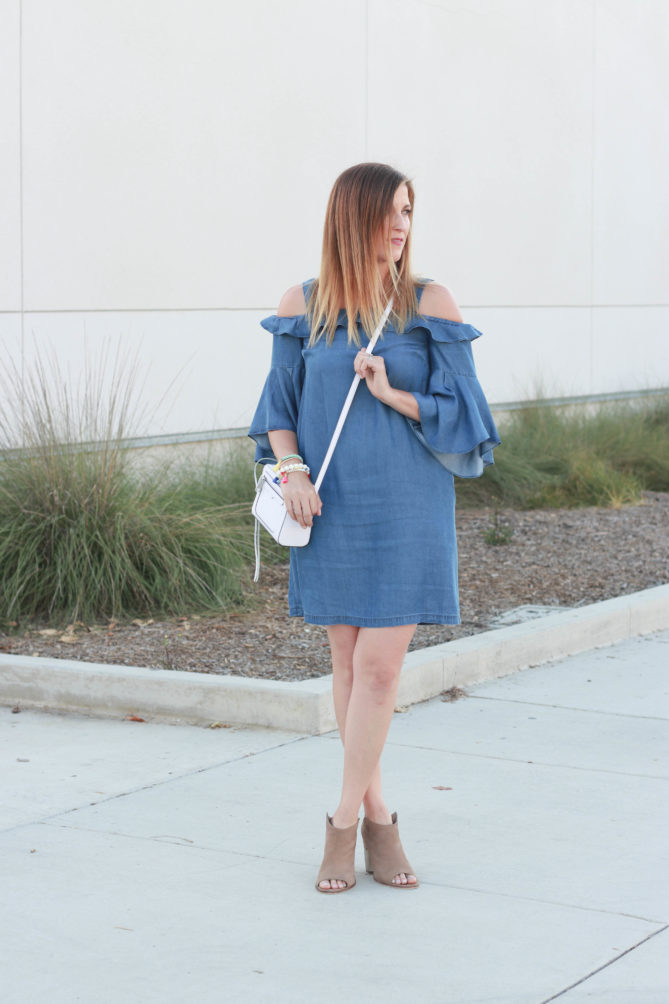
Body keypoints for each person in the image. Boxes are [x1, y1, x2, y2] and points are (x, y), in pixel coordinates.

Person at [249, 162, 499, 893]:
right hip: (330, 504)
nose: (400, 225)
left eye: (407, 211)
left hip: (410, 504)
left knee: (381, 669)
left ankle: (341, 821)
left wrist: (392, 394)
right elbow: (278, 411)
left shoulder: (429, 303)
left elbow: (470, 418)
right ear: (350, 217)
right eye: (388, 211)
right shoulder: (303, 305)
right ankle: (379, 816)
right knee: (347, 663)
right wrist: (291, 473)